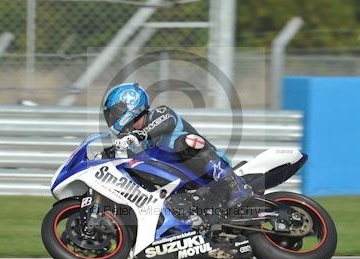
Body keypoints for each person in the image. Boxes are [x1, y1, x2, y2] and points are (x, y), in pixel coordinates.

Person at [102, 83, 252, 226]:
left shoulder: (160, 113)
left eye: (113, 114)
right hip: (187, 187)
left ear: (129, 107)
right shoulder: (134, 145)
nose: (111, 119)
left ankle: (235, 185)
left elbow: (167, 121)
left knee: (186, 142)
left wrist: (141, 134)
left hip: (208, 168)